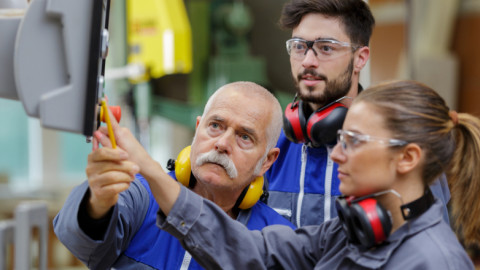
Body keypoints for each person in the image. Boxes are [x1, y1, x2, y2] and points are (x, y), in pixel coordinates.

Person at [143, 80, 478, 269]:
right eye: (341, 140)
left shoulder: (436, 262)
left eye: (354, 142)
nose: (336, 153)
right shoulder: (347, 232)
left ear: (407, 158)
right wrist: (150, 172)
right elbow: (249, 250)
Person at [53, 81, 295, 270]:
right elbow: (79, 242)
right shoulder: (142, 195)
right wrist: (99, 202)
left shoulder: (277, 239)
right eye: (215, 126)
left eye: (244, 137)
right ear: (197, 128)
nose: (222, 143)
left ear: (267, 161)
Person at [265, 0, 451, 226]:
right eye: (299, 46)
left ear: (360, 58)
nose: (308, 61)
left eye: (326, 47)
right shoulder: (271, 147)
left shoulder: (401, 151)